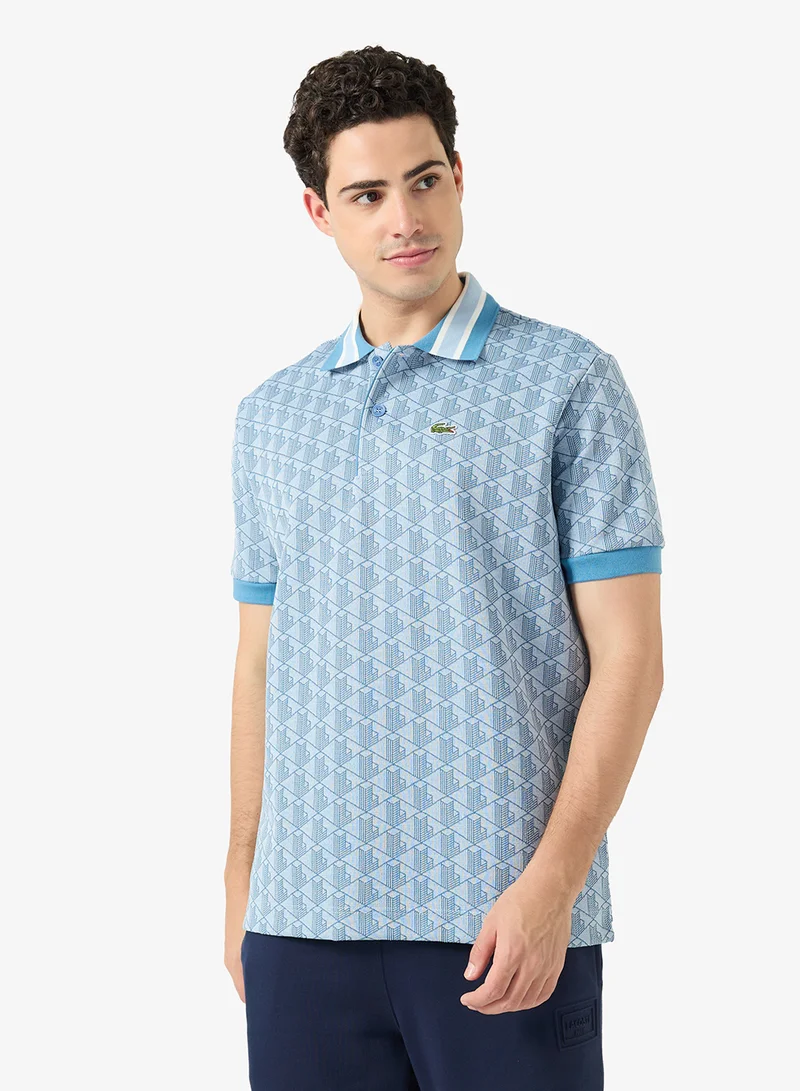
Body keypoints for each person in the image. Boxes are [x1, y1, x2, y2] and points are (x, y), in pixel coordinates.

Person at [223, 43, 664, 1091]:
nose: (404, 219)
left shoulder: (566, 382)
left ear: (458, 176)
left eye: (424, 181)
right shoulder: (271, 414)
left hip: (501, 924)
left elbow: (631, 659)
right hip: (300, 919)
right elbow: (258, 665)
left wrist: (553, 886)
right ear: (319, 212)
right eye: (367, 194)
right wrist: (241, 874)